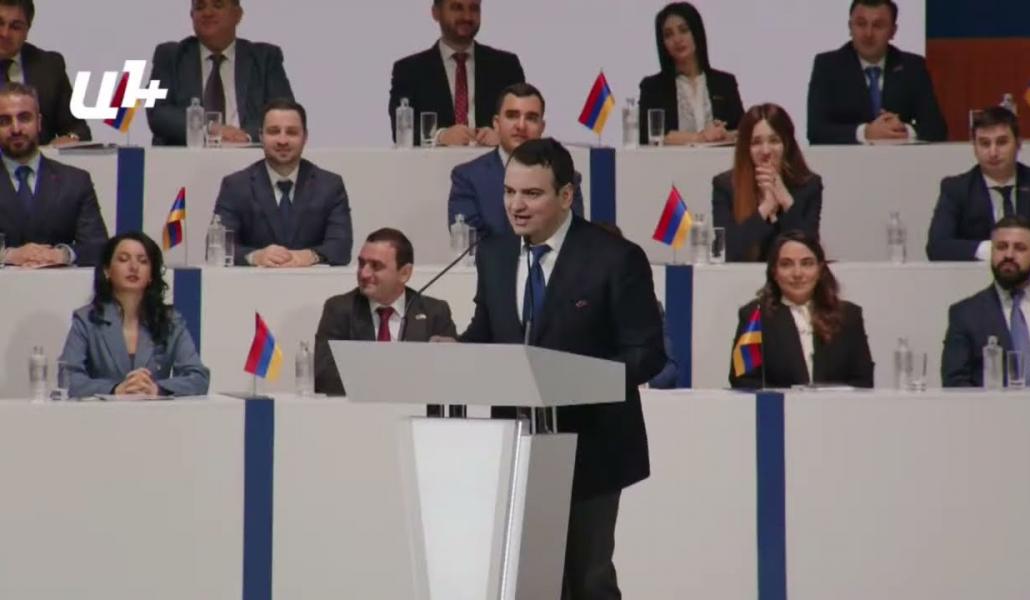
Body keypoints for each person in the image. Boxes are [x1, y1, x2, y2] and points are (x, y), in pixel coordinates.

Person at [459, 138, 666, 599]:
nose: (516, 205)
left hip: (592, 445)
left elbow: (646, 352)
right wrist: (451, 352)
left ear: (566, 195)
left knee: (587, 579)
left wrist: (574, 379)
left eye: (531, 193)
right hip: (515, 444)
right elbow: (486, 333)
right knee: (527, 582)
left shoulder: (615, 257)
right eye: (510, 192)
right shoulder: (494, 254)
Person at [59, 231, 210, 398]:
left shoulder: (170, 320)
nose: (134, 267)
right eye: (123, 259)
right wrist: (115, 389)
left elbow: (199, 378)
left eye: (143, 261)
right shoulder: (87, 319)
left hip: (155, 412)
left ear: (151, 275)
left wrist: (156, 389)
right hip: (103, 412)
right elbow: (67, 378)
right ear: (107, 271)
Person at [314, 227, 457, 396]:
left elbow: (449, 377)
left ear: (404, 273)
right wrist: (397, 382)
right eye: (361, 263)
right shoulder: (339, 309)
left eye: (376, 266)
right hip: (358, 410)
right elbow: (325, 377)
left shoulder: (435, 312)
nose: (364, 273)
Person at [213, 99, 352, 266]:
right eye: (274, 132)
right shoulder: (236, 186)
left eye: (292, 132)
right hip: (255, 280)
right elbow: (218, 247)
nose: (282, 140)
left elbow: (341, 247)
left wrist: (310, 256)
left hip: (312, 280)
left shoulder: (329, 186)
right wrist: (255, 256)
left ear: (305, 137)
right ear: (261, 136)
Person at [729, 231, 874, 389]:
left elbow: (863, 381)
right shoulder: (755, 316)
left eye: (807, 263)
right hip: (779, 405)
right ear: (774, 272)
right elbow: (743, 381)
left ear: (820, 270)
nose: (797, 273)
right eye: (786, 264)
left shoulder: (849, 316)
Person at [447, 82, 584, 239]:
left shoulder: (567, 177)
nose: (521, 125)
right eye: (512, 116)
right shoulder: (467, 177)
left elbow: (572, 237)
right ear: (496, 123)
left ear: (542, 127)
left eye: (531, 118)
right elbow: (470, 242)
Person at [147, 0, 294, 146]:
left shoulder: (266, 58)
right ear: (192, 15)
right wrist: (209, 128)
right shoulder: (167, 56)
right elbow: (156, 112)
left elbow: (285, 113)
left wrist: (245, 137)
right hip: (185, 157)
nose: (207, 13)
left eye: (217, 5)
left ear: (238, 14)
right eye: (200, 7)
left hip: (248, 155)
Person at [806, 0, 947, 145]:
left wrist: (902, 130)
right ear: (850, 27)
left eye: (878, 25)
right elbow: (816, 131)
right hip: (846, 158)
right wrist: (866, 132)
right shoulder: (828, 66)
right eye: (861, 24)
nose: (868, 34)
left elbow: (937, 128)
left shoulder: (912, 66)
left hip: (900, 157)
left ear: (893, 31)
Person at [388, 0, 525, 147]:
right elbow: (400, 130)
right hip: (434, 161)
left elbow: (525, 119)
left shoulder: (506, 66)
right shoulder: (409, 70)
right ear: (436, 12)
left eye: (474, 8)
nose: (467, 17)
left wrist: (503, 137)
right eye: (457, 8)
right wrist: (440, 136)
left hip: (493, 159)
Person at [0, 83, 108, 267]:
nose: (16, 129)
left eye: (24, 118)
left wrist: (63, 255)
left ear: (39, 122)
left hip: (61, 284)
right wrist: (7, 255)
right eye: (4, 121)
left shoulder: (75, 182)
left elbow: (98, 247)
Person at [712, 103, 822, 262]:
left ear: (787, 144)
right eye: (756, 142)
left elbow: (809, 254)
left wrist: (786, 200)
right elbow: (724, 253)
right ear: (746, 148)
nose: (765, 151)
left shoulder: (809, 185)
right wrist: (765, 208)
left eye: (774, 141)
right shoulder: (725, 186)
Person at [927, 107, 1029, 261]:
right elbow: (937, 247)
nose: (993, 152)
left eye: (1001, 142)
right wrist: (989, 249)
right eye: (984, 144)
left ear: (1018, 144)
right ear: (974, 147)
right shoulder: (956, 189)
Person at [637, 1, 743, 146]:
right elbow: (648, 136)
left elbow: (743, 131)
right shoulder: (653, 87)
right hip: (671, 160)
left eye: (684, 30)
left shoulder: (724, 83)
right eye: (668, 35)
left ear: (696, 33)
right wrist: (699, 137)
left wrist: (724, 134)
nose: (677, 39)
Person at [942, 216, 1030, 387]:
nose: (1009, 255)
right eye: (1001, 247)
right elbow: (955, 384)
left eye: (1020, 248)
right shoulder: (965, 314)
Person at [0, 0, 90, 145]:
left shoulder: (48, 66)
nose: (5, 33)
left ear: (27, 31)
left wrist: (71, 138)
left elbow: (78, 128)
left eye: (15, 27)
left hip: (34, 158)